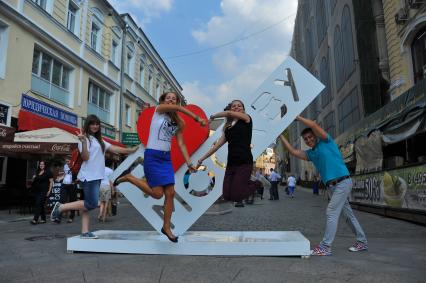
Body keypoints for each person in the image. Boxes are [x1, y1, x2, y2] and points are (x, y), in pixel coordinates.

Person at [113, 92, 207, 243]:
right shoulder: (158, 111)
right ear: (163, 101)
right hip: (153, 156)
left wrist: (189, 163)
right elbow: (177, 108)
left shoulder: (179, 123)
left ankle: (166, 227)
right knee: (157, 194)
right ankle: (130, 177)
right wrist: (196, 118)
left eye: (174, 99)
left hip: (165, 158)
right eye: (168, 98)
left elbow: (181, 144)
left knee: (170, 193)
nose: (171, 100)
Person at [280, 115, 368, 256]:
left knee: (331, 212)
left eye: (310, 137)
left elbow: (314, 126)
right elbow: (293, 151)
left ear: (315, 136)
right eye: (306, 139)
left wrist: (297, 117)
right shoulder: (311, 154)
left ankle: (326, 247)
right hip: (332, 187)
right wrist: (280, 135)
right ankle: (362, 242)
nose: (309, 140)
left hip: (343, 182)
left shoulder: (327, 142)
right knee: (348, 215)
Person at [50, 114, 138, 239]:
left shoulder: (100, 140)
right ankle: (61, 207)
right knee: (91, 204)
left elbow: (115, 148)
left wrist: (132, 150)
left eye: (97, 124)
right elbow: (85, 157)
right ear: (87, 125)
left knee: (87, 205)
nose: (95, 126)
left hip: (97, 176)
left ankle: (85, 232)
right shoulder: (84, 138)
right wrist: (83, 142)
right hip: (89, 176)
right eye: (92, 123)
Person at [197, 100, 259, 205]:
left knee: (236, 196)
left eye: (239, 106)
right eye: (234, 106)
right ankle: (246, 182)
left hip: (244, 161)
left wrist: (212, 117)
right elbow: (215, 147)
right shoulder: (227, 128)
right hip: (231, 163)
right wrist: (201, 159)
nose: (236, 107)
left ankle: (257, 183)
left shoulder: (247, 119)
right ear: (231, 108)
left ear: (243, 109)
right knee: (226, 195)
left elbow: (229, 114)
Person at [30, 161, 53, 225]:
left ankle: (35, 219)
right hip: (37, 190)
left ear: (45, 165)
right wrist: (33, 178)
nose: (41, 165)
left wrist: (49, 190)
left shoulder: (48, 172)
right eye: (40, 164)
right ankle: (43, 219)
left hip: (44, 191)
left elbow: (51, 182)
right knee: (41, 204)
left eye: (42, 164)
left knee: (38, 203)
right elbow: (34, 181)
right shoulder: (38, 172)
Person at [62, 156, 77, 223]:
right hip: (65, 184)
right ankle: (63, 213)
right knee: (63, 199)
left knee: (72, 200)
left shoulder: (75, 166)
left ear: (71, 161)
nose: (67, 163)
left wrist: (75, 181)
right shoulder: (65, 166)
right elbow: (65, 174)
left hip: (72, 185)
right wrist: (61, 178)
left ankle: (71, 216)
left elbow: (79, 175)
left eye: (68, 161)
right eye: (66, 161)